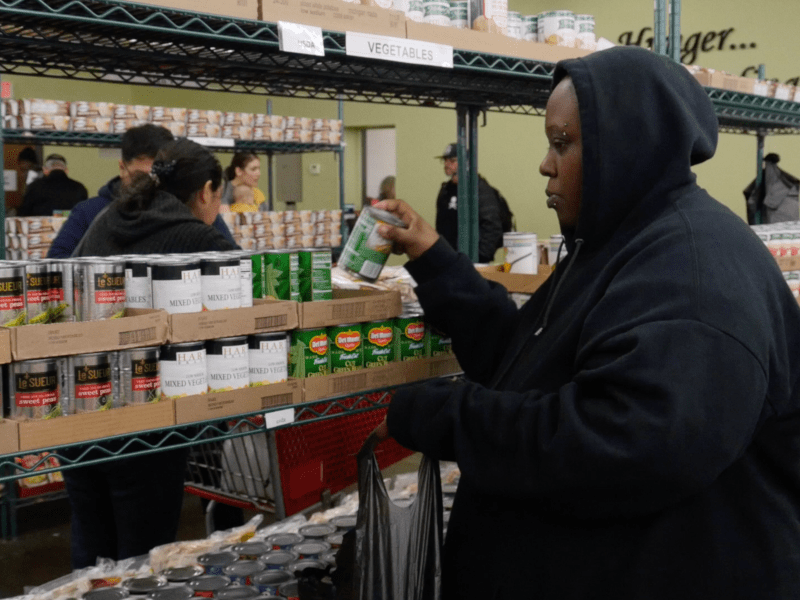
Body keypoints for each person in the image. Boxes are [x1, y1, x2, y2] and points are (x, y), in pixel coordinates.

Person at [371, 46, 800, 599]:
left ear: (628, 146)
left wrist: (444, 414)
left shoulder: (692, 272)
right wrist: (434, 258)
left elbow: (621, 444)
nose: (545, 164)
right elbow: (529, 362)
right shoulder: (618, 241)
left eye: (563, 143)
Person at [63, 139, 237, 569]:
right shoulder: (198, 236)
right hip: (147, 420)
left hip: (79, 406)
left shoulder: (110, 216)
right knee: (144, 559)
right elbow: (240, 313)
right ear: (206, 191)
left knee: (93, 552)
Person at [48, 124, 235, 258]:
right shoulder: (95, 214)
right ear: (122, 168)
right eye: (143, 177)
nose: (151, 184)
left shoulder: (198, 214)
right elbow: (59, 266)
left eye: (159, 176)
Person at [434, 143, 504, 263]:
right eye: (445, 160)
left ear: (466, 162)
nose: (446, 164)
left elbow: (492, 226)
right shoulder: (446, 190)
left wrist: (479, 257)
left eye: (452, 160)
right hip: (449, 260)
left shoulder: (479, 190)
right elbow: (441, 225)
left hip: (473, 262)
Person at [18, 153, 88, 216]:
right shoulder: (79, 188)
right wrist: (61, 214)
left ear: (45, 170)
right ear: (66, 170)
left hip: (41, 226)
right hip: (71, 226)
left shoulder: (34, 187)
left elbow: (24, 214)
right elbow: (84, 214)